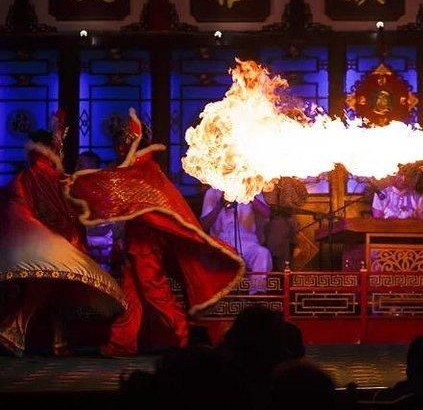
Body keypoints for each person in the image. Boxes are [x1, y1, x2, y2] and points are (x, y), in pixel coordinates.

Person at [66, 108, 244, 357]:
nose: (118, 149)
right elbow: (115, 189)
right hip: (135, 241)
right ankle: (122, 342)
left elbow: (122, 185)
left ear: (134, 143)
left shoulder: (144, 170)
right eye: (117, 144)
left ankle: (185, 336)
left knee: (153, 291)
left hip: (146, 243)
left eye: (123, 143)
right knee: (132, 294)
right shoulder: (136, 168)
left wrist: (72, 184)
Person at [0, 113, 126, 357]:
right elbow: (60, 212)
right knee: (47, 289)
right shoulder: (47, 177)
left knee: (57, 291)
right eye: (57, 148)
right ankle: (13, 329)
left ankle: (58, 340)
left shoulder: (28, 177)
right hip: (50, 245)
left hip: (40, 245)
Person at [201, 189, 273, 294]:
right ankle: (219, 298)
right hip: (220, 243)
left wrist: (249, 195)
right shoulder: (212, 192)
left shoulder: (252, 188)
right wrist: (220, 204)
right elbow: (204, 225)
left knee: (262, 253)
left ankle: (256, 296)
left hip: (248, 244)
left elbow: (267, 213)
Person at [75, 150, 117, 273]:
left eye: (81, 165)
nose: (76, 168)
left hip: (100, 252)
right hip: (79, 252)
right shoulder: (74, 189)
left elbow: (106, 224)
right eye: (77, 165)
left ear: (92, 167)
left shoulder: (103, 191)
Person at [261, 177, 309, 271]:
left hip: (278, 232)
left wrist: (295, 243)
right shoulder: (254, 186)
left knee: (281, 269)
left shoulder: (284, 184)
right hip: (255, 232)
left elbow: (300, 199)